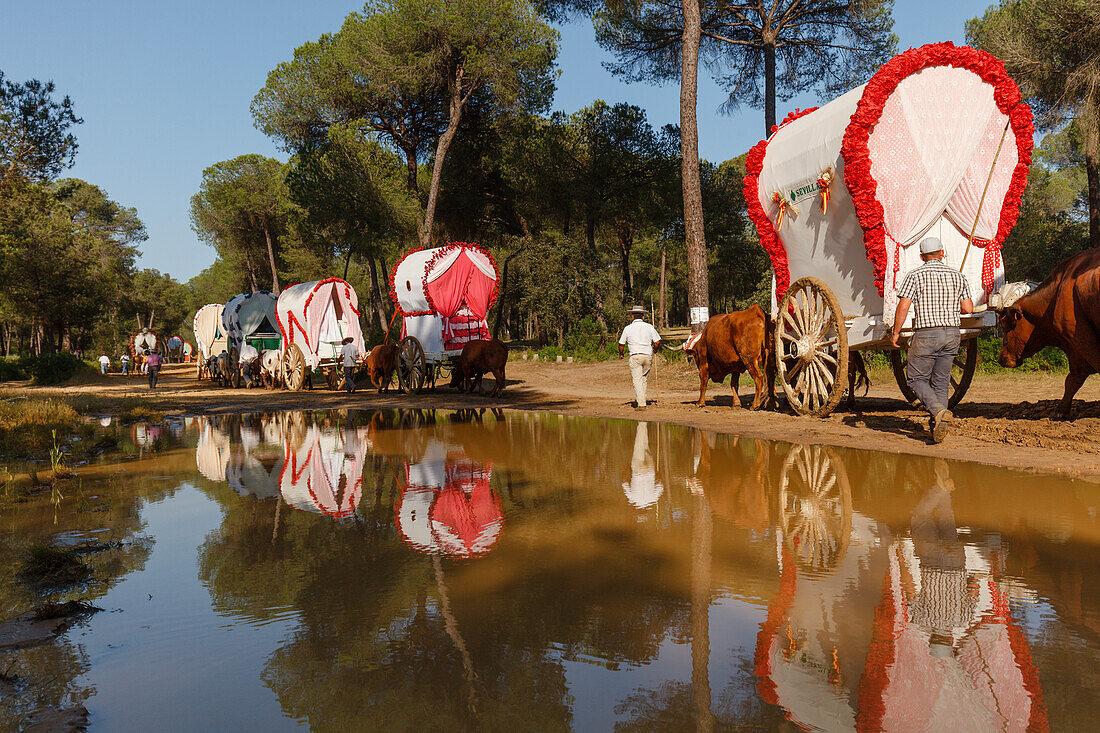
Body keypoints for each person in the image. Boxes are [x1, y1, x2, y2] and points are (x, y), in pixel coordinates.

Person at [890, 237, 974, 443]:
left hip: (927, 333)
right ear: (942, 253)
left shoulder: (915, 275)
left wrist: (896, 332)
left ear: (921, 257)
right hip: (952, 334)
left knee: (916, 378)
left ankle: (937, 411)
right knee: (941, 382)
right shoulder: (958, 276)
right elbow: (968, 308)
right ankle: (939, 422)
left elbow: (903, 306)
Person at [618, 305, 662, 408]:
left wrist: (621, 353)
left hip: (635, 356)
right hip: (647, 356)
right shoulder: (649, 327)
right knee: (643, 379)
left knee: (637, 380)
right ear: (643, 316)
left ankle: (641, 404)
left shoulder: (628, 328)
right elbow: (657, 341)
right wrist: (655, 350)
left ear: (632, 317)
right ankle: (642, 399)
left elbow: (621, 344)